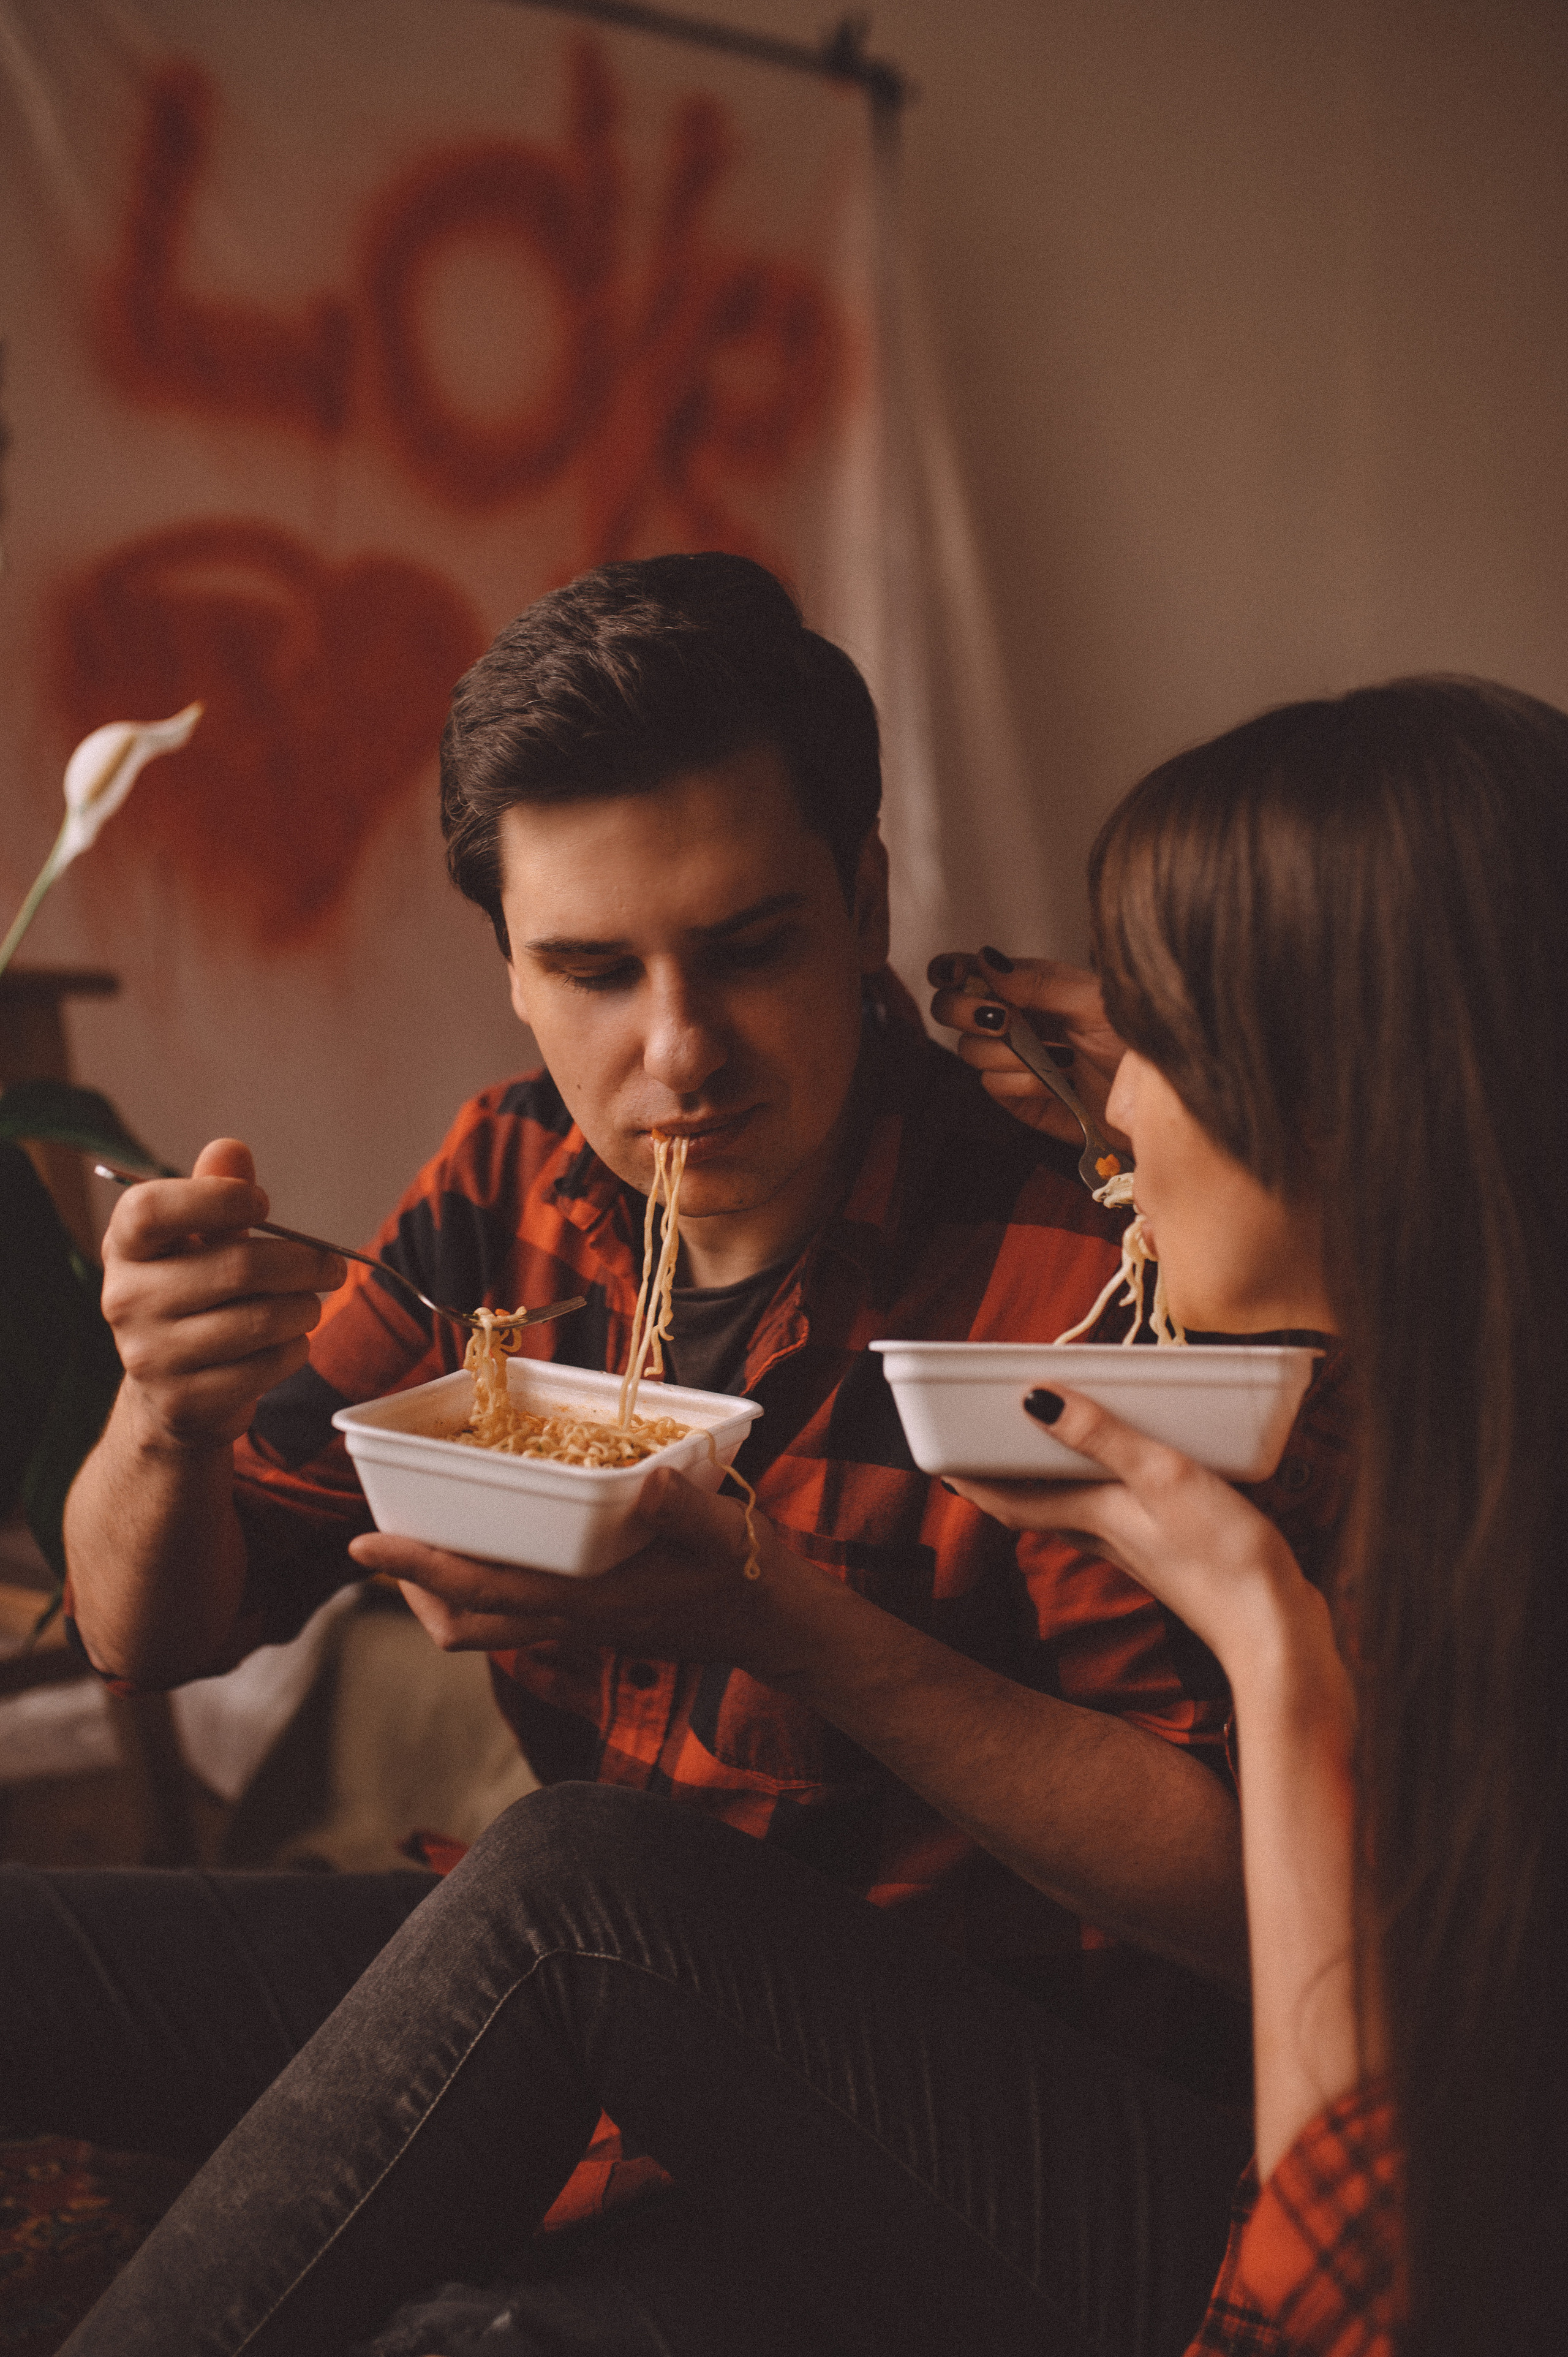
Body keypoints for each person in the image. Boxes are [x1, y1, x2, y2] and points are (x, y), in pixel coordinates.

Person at [49, 671, 1561, 2356]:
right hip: (620, 1996)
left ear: (862, 907)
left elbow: (1303, 2046)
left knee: (568, 1909)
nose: (677, 1051)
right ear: (511, 975)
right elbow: (142, 1636)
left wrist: (788, 1623)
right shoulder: (512, 1174)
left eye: (748, 948)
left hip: (978, 2070)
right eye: (591, 971)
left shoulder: (1097, 1274)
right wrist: (161, 1417)